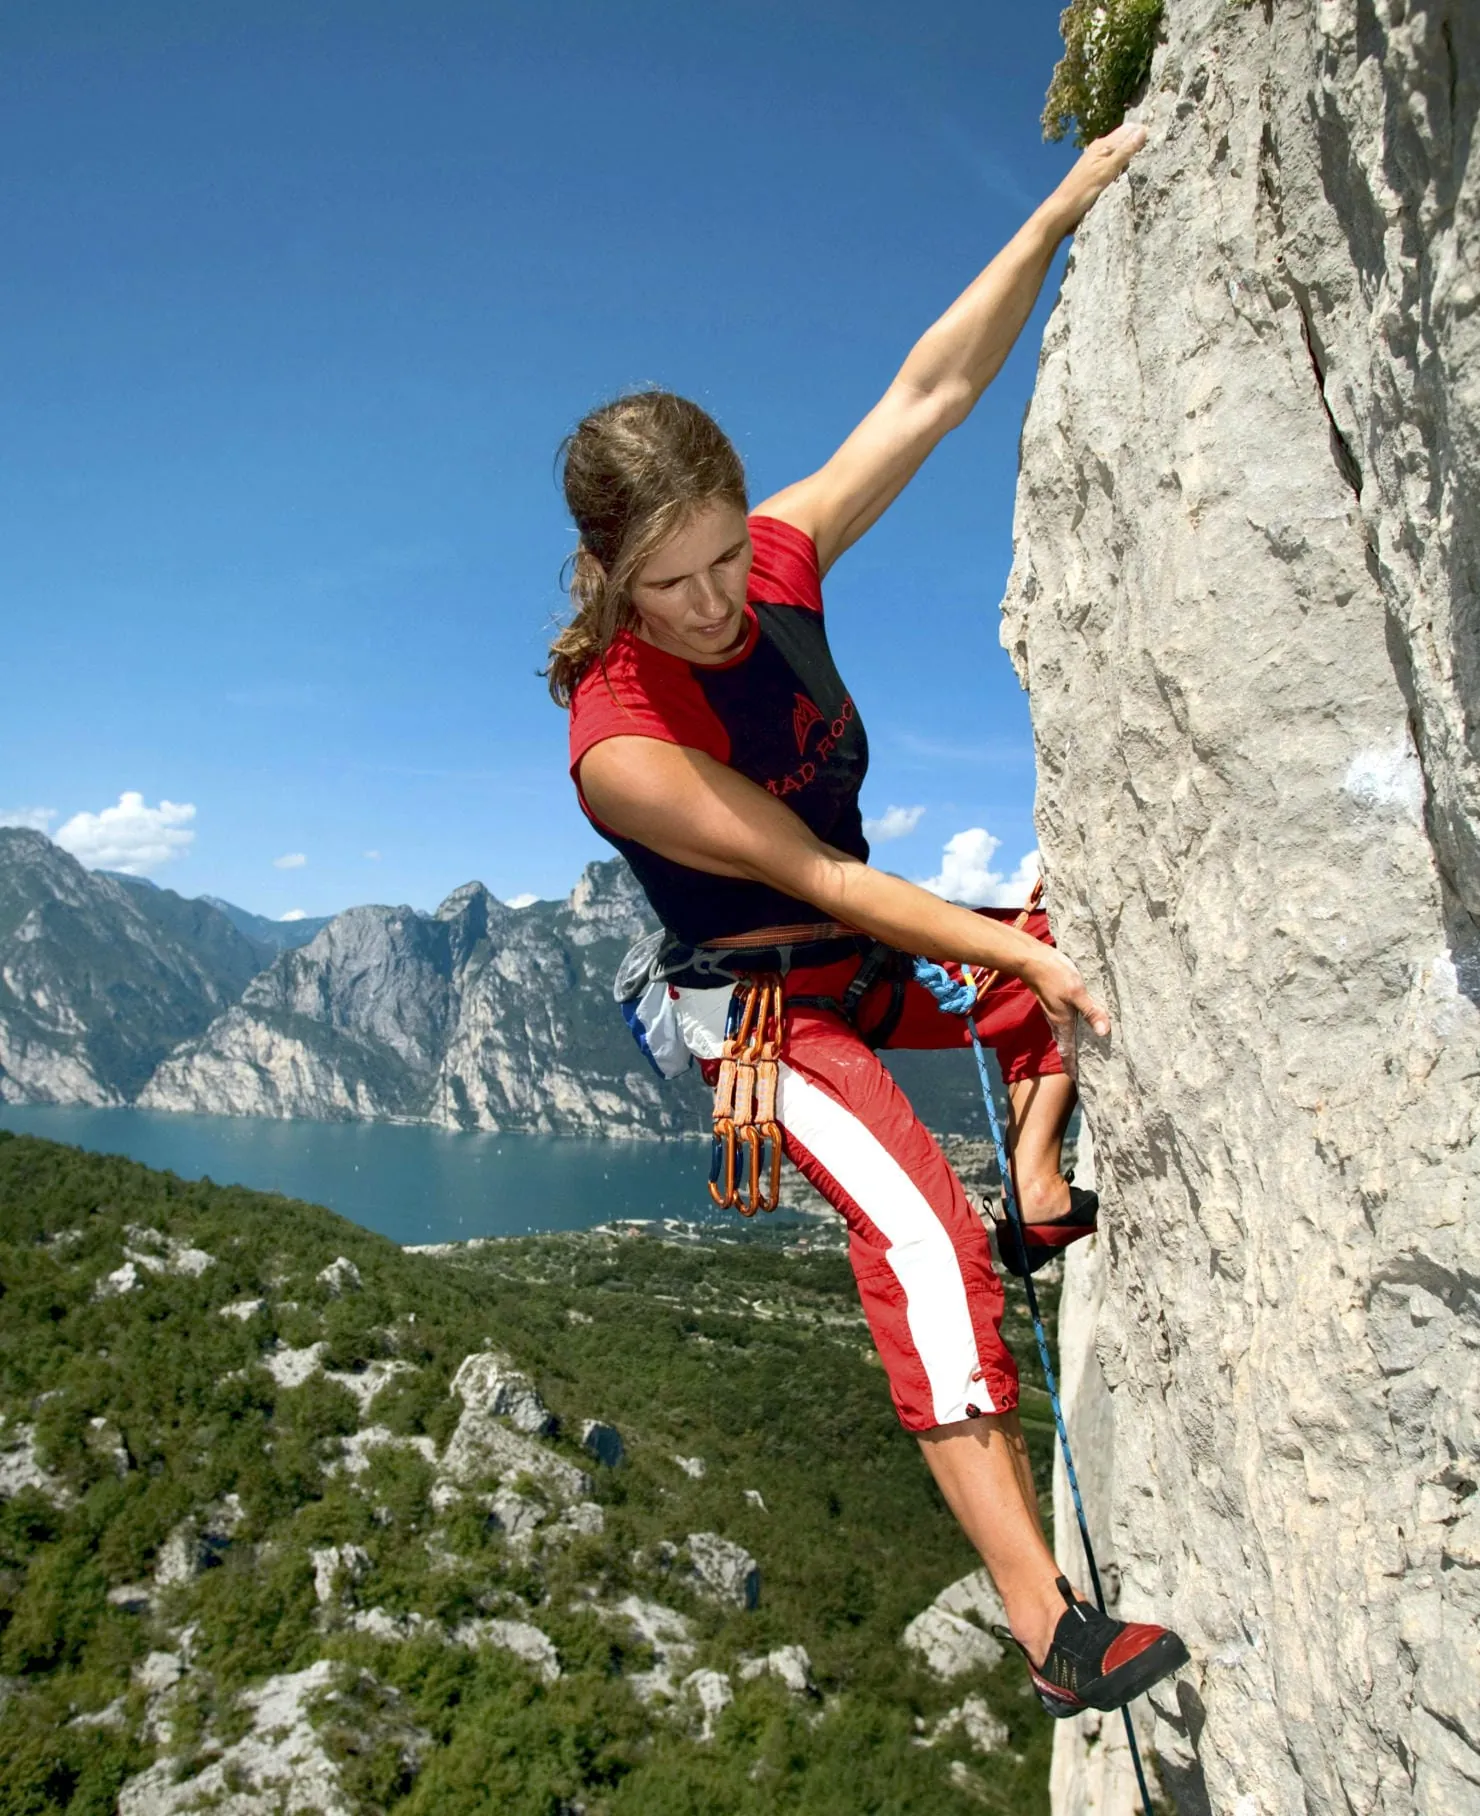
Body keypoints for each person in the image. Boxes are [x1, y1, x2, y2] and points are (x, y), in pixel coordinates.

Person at [548, 122, 1187, 1718]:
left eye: (719, 557)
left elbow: (929, 393)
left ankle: (1037, 1180)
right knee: (918, 1228)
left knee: (1068, 944)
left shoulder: (775, 564)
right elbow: (821, 879)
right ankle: (1051, 1624)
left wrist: (1057, 207)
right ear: (607, 571)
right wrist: (1010, 952)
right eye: (667, 581)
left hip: (870, 952)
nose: (711, 604)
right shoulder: (623, 740)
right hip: (766, 1007)